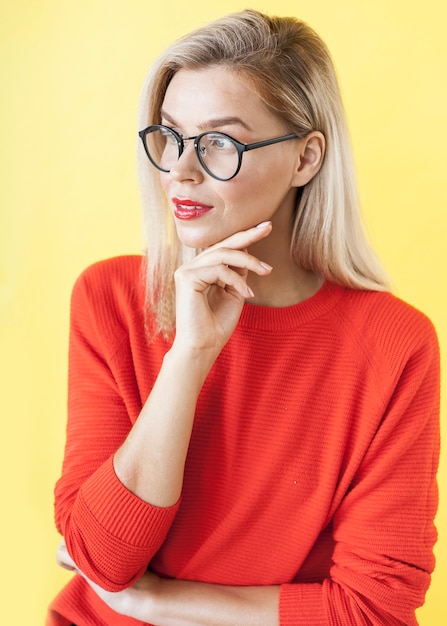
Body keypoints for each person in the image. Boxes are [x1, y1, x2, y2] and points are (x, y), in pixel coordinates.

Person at [47, 9, 440, 626]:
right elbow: (104, 560)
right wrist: (189, 356)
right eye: (170, 136)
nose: (180, 169)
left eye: (219, 143)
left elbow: (373, 610)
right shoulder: (110, 298)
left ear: (306, 160)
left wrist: (155, 602)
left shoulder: (393, 344)